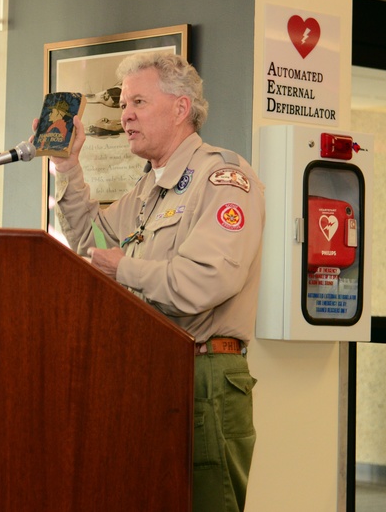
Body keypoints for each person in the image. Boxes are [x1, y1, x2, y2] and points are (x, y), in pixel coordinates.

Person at [50, 51, 264, 512]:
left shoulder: (224, 177)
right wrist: (67, 167)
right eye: (124, 104)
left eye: (138, 103)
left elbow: (207, 280)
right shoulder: (149, 189)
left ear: (181, 108)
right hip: (148, 372)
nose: (125, 115)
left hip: (205, 376)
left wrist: (124, 269)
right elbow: (90, 241)